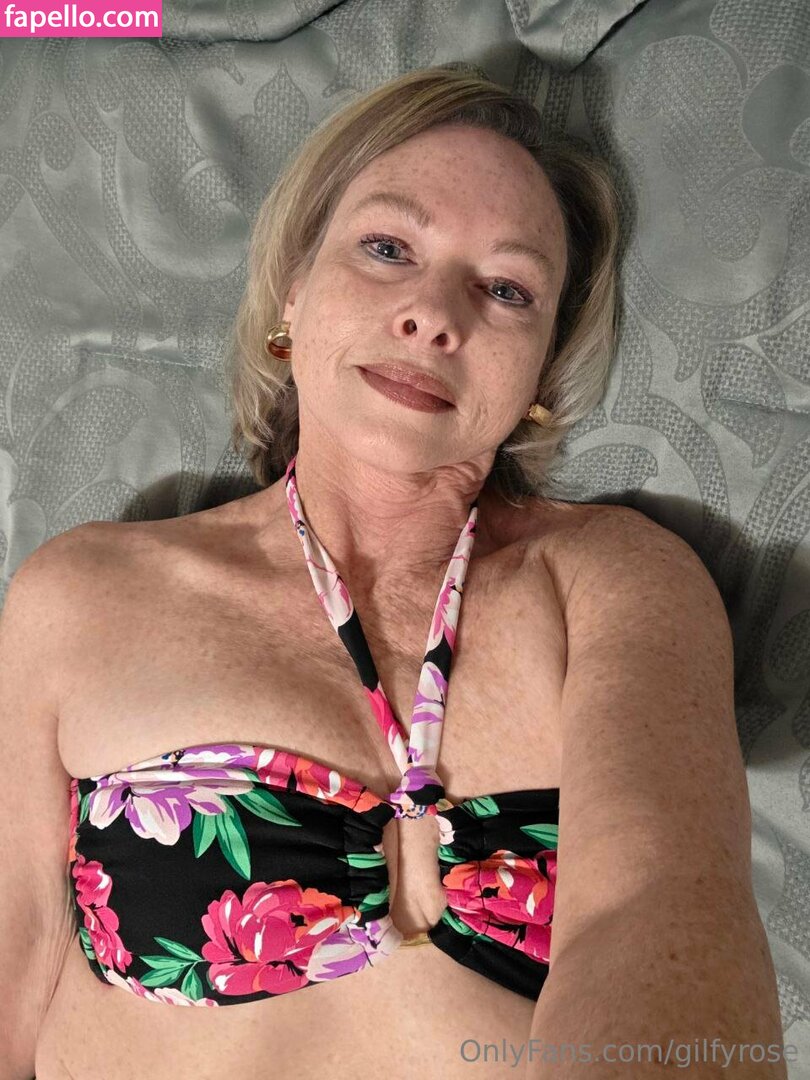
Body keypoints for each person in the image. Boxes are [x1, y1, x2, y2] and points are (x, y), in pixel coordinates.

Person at [1, 67, 785, 1080]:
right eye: (387, 249)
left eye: (506, 289)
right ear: (295, 289)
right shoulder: (84, 595)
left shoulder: (614, 583)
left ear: (542, 372)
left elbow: (660, 907)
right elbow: (13, 968)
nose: (434, 313)